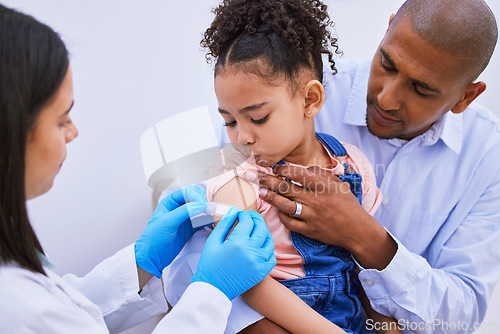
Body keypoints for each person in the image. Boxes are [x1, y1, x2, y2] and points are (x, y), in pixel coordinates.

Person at [0, 4, 277, 333]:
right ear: (11, 128)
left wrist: (139, 265)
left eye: (257, 118)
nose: (73, 132)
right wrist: (210, 293)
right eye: (61, 120)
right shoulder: (18, 307)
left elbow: (69, 310)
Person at [249, 0, 500, 333]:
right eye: (388, 63)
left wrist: (366, 238)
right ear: (388, 27)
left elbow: (460, 313)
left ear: (465, 97)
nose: (386, 99)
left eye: (421, 89)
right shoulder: (301, 91)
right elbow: (210, 237)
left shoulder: (487, 155)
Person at [163, 1, 402, 333]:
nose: (242, 136)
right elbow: (246, 281)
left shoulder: (352, 165)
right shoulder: (238, 176)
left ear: (309, 100)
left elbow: (365, 269)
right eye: (229, 121)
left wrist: (387, 324)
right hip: (282, 322)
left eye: (258, 118)